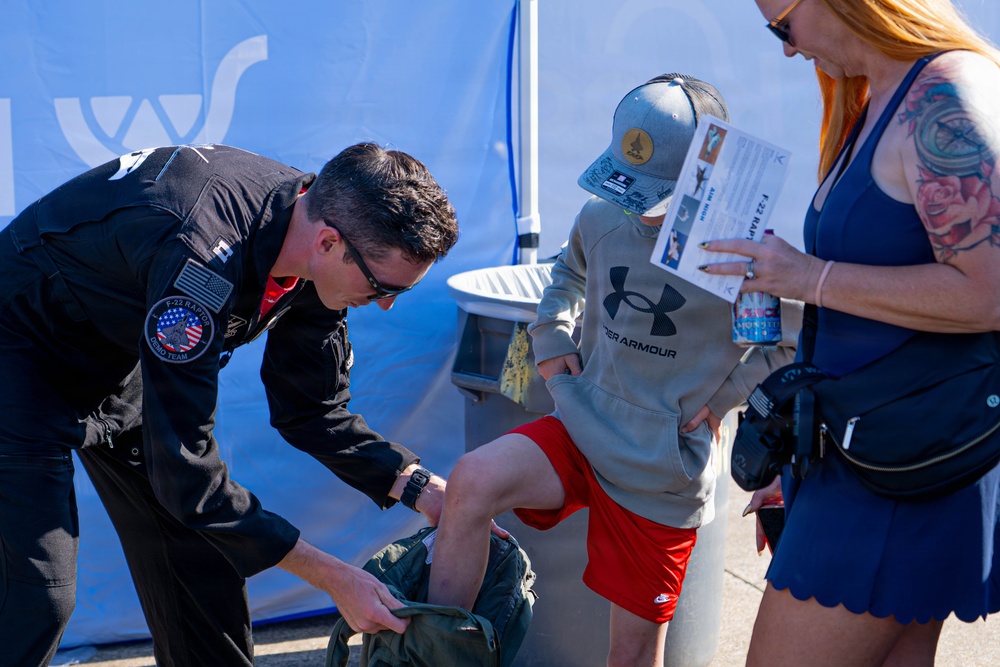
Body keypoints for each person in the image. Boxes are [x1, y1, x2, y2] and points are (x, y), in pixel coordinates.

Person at [0, 142, 461, 667]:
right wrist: (335, 577)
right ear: (330, 242)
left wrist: (419, 486)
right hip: (18, 350)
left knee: (202, 559)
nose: (384, 304)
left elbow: (312, 409)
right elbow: (190, 477)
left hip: (115, 346)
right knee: (35, 597)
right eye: (381, 286)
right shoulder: (198, 261)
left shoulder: (315, 236)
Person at [427, 74, 797, 667]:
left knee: (630, 656)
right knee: (471, 481)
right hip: (581, 420)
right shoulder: (600, 216)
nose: (636, 206)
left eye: (654, 194)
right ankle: (434, 655)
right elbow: (567, 274)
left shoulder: (743, 252)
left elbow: (784, 346)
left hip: (660, 467)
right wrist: (550, 336)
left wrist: (725, 398)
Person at [699, 1, 1000, 665]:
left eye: (782, 27)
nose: (784, 49)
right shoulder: (883, 95)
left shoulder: (943, 96)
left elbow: (992, 289)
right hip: (870, 453)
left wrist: (811, 277)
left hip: (902, 464)